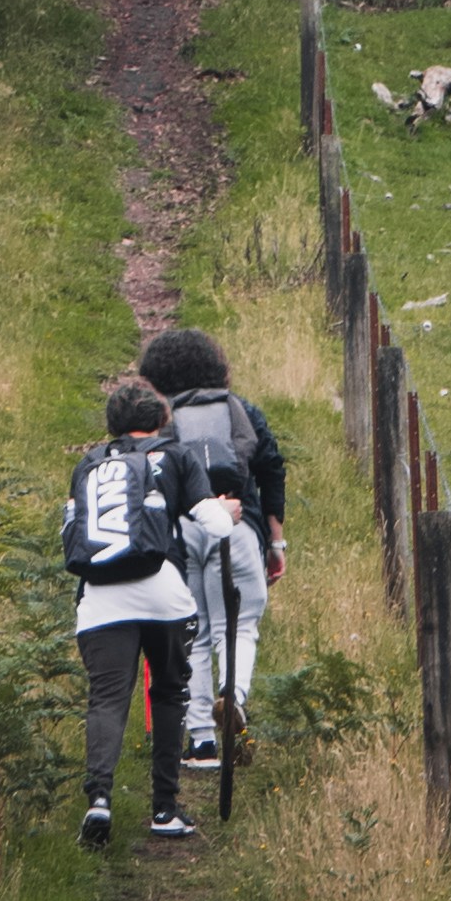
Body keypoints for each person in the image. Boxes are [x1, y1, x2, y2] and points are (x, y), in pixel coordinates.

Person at [59, 372, 199, 845]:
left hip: (100, 597)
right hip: (164, 594)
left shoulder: (89, 464)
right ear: (161, 418)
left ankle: (99, 799)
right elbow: (214, 524)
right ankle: (165, 809)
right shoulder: (177, 455)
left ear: (113, 424)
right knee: (168, 693)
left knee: (107, 700)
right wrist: (232, 511)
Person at [136, 323, 284, 766]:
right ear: (215, 365)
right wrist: (276, 543)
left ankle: (201, 740)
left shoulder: (159, 421)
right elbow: (271, 470)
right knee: (238, 625)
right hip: (237, 526)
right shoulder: (242, 411)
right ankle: (233, 696)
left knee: (193, 631)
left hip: (183, 532)